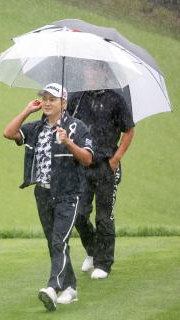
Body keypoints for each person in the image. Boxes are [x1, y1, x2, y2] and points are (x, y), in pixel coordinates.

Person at [3, 83, 93, 311]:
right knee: (54, 244)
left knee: (58, 241)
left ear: (64, 103)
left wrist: (68, 142)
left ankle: (53, 287)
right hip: (42, 193)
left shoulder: (76, 127)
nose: (47, 102)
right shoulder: (37, 128)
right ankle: (71, 288)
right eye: (44, 98)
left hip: (68, 193)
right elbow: (9, 133)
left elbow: (87, 159)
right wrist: (26, 111)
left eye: (53, 99)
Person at [67, 66, 135, 280]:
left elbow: (129, 130)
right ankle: (93, 250)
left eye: (95, 71)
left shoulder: (116, 100)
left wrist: (116, 159)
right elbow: (66, 122)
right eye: (89, 71)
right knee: (78, 214)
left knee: (104, 217)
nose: (90, 74)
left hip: (107, 165)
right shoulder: (76, 98)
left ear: (104, 74)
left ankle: (103, 263)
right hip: (82, 165)